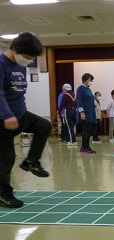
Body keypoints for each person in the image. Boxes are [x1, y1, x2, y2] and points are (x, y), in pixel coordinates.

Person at [0, 32, 52, 208]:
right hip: (3, 120)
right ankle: (4, 195)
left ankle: (31, 162)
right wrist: (7, 115)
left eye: (32, 58)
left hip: (20, 115)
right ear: (14, 49)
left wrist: (19, 114)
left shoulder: (21, 67)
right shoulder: (1, 64)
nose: (29, 61)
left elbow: (18, 93)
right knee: (6, 160)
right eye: (27, 57)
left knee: (44, 125)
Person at [76, 73, 96, 154]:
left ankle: (87, 147)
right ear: (85, 80)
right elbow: (79, 101)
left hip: (91, 113)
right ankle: (84, 148)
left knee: (89, 130)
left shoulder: (89, 89)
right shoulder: (80, 89)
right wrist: (81, 112)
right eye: (90, 80)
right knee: (86, 131)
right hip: (85, 113)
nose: (91, 82)